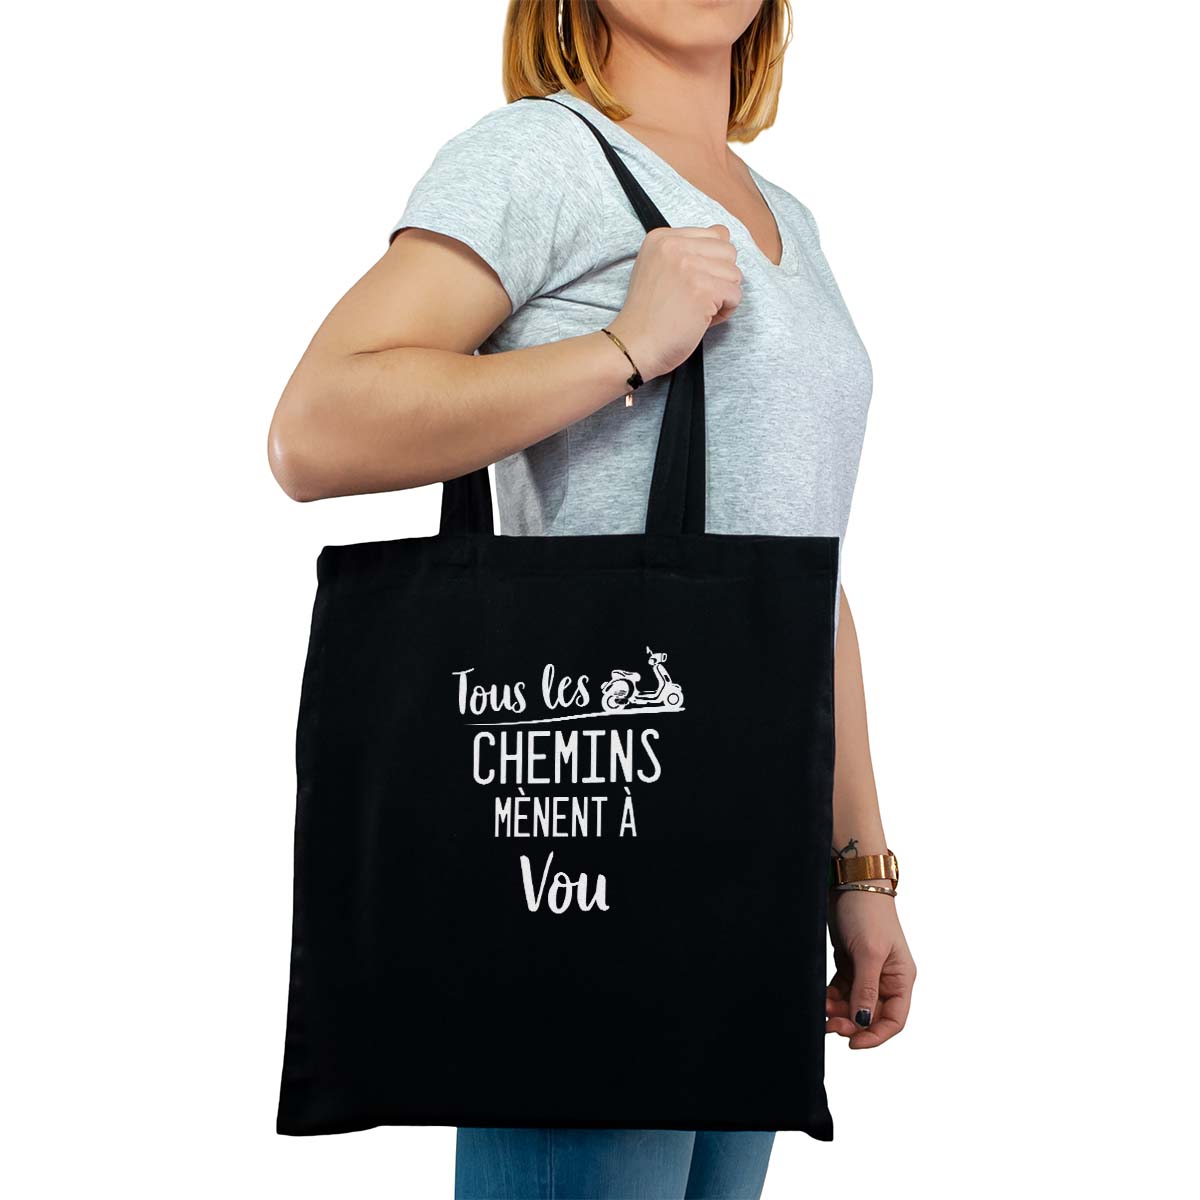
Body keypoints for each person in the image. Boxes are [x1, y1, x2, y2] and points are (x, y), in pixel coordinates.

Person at [267, 1, 916, 1196]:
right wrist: (624, 347)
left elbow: (800, 578)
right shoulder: (542, 155)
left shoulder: (795, 224)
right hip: (599, 827)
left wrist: (854, 870)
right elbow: (314, 432)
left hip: (745, 860)